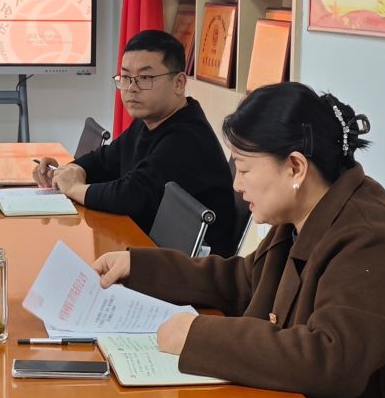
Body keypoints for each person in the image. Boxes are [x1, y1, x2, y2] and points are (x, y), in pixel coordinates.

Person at [92, 82, 385, 398]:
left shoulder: (370, 239)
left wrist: (197, 336)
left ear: (295, 167)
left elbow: (329, 361)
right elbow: (245, 280)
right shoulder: (304, 212)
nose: (236, 184)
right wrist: (139, 267)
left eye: (245, 168)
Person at [35, 29, 238, 256]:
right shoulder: (148, 121)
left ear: (179, 83)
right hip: (153, 251)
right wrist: (68, 171)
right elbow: (105, 160)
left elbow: (131, 196)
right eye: (125, 78)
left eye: (145, 78)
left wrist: (74, 188)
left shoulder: (187, 138)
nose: (132, 88)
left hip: (190, 270)